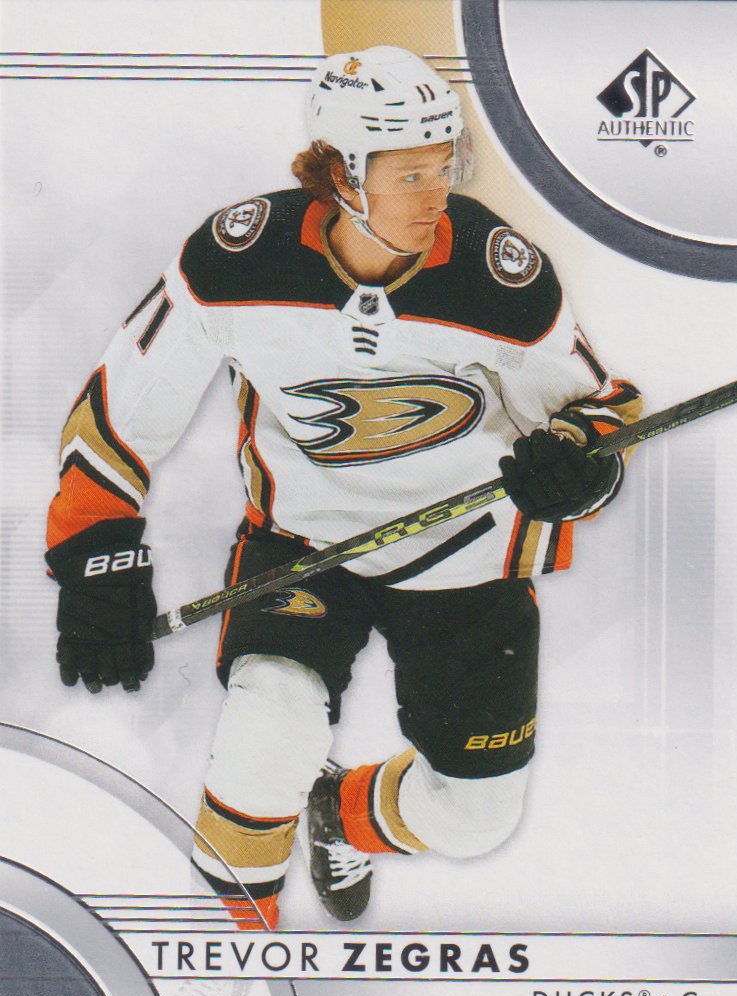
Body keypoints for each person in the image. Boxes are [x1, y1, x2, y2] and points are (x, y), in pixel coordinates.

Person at [46, 46, 643, 931]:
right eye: (411, 175)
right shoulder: (235, 260)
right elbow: (123, 406)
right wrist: (95, 553)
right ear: (340, 176)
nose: (438, 195)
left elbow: (600, 410)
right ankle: (239, 966)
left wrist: (575, 467)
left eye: (446, 166)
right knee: (265, 738)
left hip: (466, 558)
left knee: (474, 820)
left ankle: (340, 813)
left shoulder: (496, 275)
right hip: (304, 545)